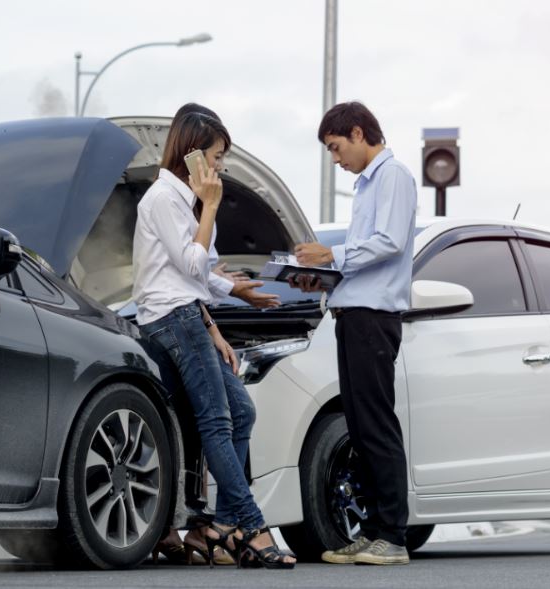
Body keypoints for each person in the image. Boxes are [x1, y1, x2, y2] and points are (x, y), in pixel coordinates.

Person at [133, 109, 294, 569]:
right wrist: (211, 206)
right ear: (193, 154)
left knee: (241, 411)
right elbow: (192, 265)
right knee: (218, 422)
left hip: (188, 316)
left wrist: (227, 304)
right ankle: (252, 528)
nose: (221, 165)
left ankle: (222, 524)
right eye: (218, 156)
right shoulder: (164, 198)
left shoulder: (184, 199)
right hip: (173, 320)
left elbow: (199, 272)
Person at [293, 101, 417, 566]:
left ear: (359, 133)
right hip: (353, 314)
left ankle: (393, 536)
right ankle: (373, 532)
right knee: (361, 429)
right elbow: (366, 257)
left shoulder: (393, 175)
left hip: (373, 318)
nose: (335, 159)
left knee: (376, 425)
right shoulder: (368, 183)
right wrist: (324, 277)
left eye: (335, 147)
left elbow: (390, 242)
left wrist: (332, 256)